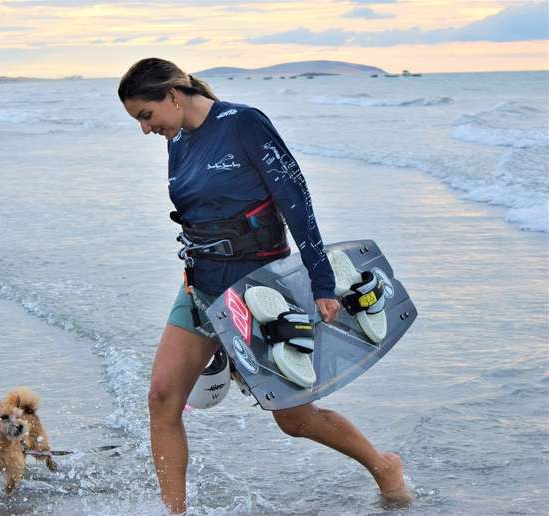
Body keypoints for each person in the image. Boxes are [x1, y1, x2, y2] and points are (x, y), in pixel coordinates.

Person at [118, 58, 412, 514]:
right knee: (161, 398)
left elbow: (296, 199)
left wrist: (322, 282)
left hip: (258, 291)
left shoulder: (243, 123)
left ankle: (383, 466)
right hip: (200, 288)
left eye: (145, 115)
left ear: (172, 96)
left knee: (293, 419)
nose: (145, 129)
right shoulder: (177, 140)